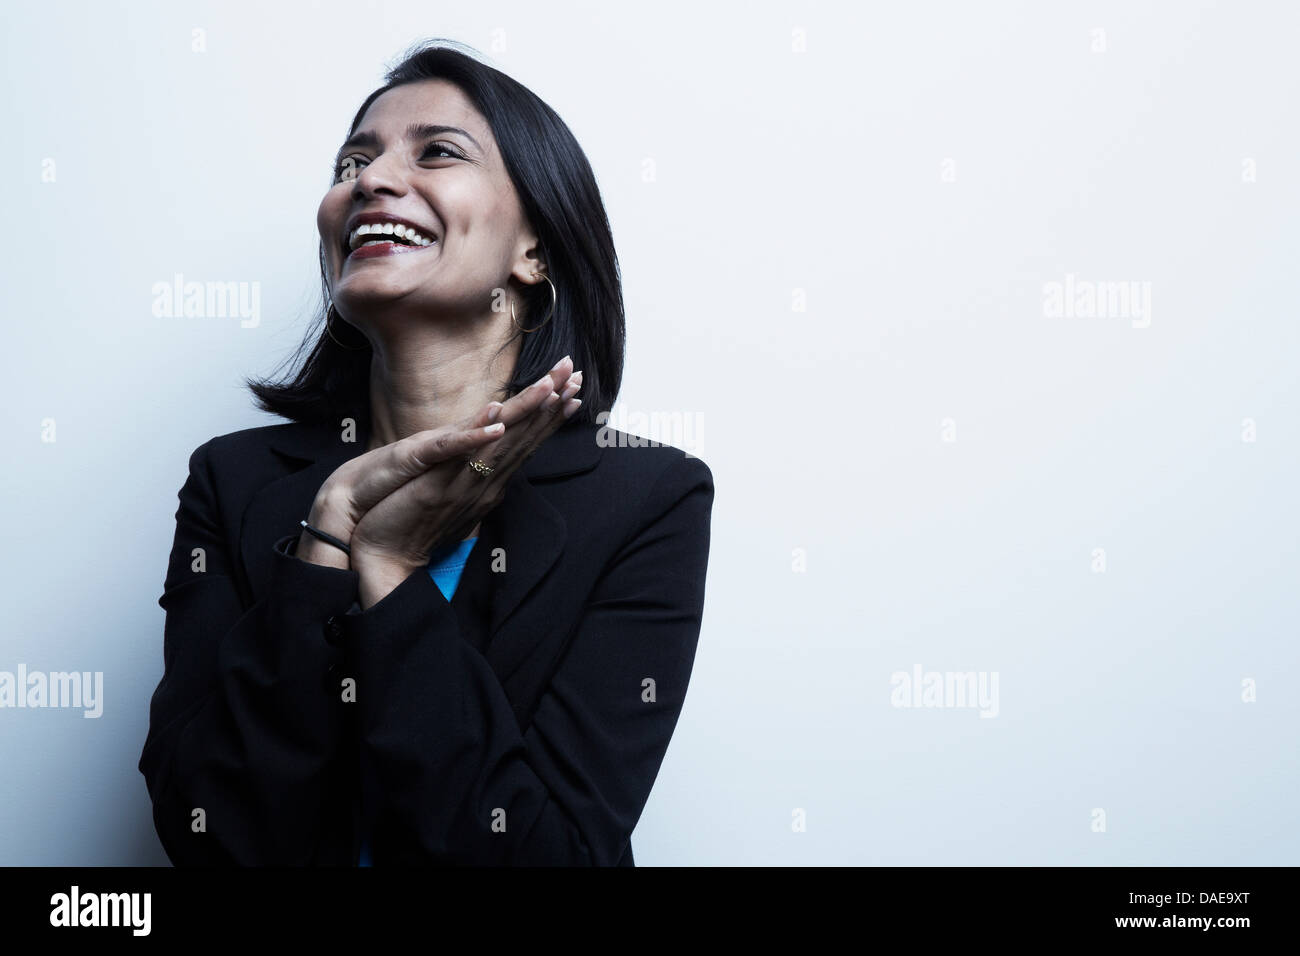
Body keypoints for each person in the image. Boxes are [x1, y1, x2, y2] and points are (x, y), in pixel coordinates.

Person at [137, 39, 714, 866]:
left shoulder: (648, 497)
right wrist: (327, 536)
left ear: (535, 251)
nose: (368, 181)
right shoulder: (230, 481)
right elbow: (213, 833)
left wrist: (393, 568)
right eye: (351, 162)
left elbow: (549, 854)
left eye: (438, 151)